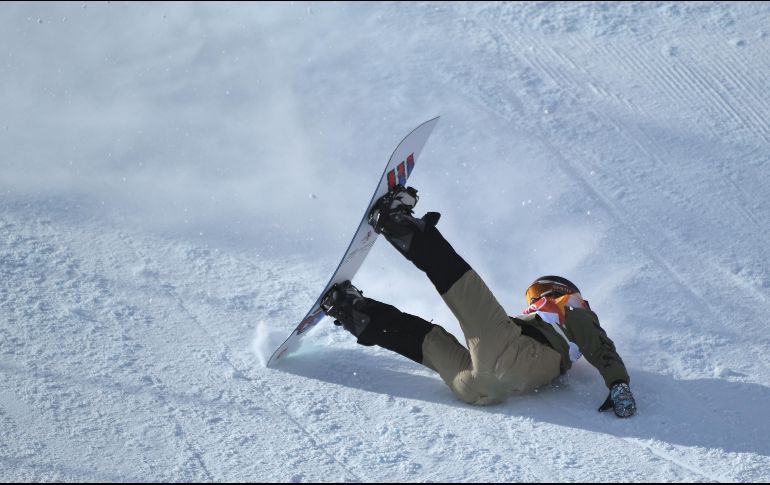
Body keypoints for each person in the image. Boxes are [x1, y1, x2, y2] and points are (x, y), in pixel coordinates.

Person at [320, 185, 636, 417]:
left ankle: (395, 220)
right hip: (482, 390)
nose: (533, 300)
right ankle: (352, 311)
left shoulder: (571, 307)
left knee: (463, 286)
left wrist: (618, 383)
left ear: (553, 290)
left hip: (512, 355)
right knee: (429, 341)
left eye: (536, 294)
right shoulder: (557, 341)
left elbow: (601, 346)